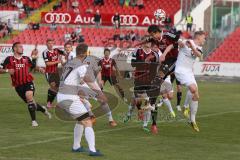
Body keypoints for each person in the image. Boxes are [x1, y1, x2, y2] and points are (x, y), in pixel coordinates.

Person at [57, 43, 103, 156]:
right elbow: (87, 80)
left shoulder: (70, 63)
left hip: (63, 95)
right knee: (87, 121)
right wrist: (99, 94)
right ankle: (92, 150)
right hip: (69, 97)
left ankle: (76, 147)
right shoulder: (81, 64)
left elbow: (77, 82)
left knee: (81, 121)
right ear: (86, 53)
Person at [0, 42, 51, 127]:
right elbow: (1, 70)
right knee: (32, 104)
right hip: (18, 86)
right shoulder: (9, 59)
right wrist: (7, 71)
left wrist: (40, 69)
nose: (22, 48)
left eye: (22, 47)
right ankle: (43, 109)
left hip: (28, 82)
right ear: (15, 49)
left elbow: (33, 66)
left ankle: (34, 121)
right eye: (20, 47)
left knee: (29, 96)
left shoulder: (26, 58)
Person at [175, 31, 206, 132]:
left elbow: (199, 55)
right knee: (193, 88)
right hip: (180, 70)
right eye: (203, 38)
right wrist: (182, 43)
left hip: (189, 73)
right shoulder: (188, 41)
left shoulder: (199, 48)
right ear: (199, 37)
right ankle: (185, 106)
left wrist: (192, 47)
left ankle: (192, 120)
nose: (204, 40)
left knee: (196, 96)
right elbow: (180, 42)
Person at [42, 39, 65, 109]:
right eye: (49, 43)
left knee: (57, 88)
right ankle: (49, 103)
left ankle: (54, 103)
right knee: (53, 86)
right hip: (49, 72)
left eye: (52, 43)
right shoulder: (45, 52)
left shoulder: (56, 50)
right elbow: (47, 63)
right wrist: (58, 61)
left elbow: (65, 53)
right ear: (46, 44)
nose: (51, 44)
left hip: (56, 72)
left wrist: (64, 58)